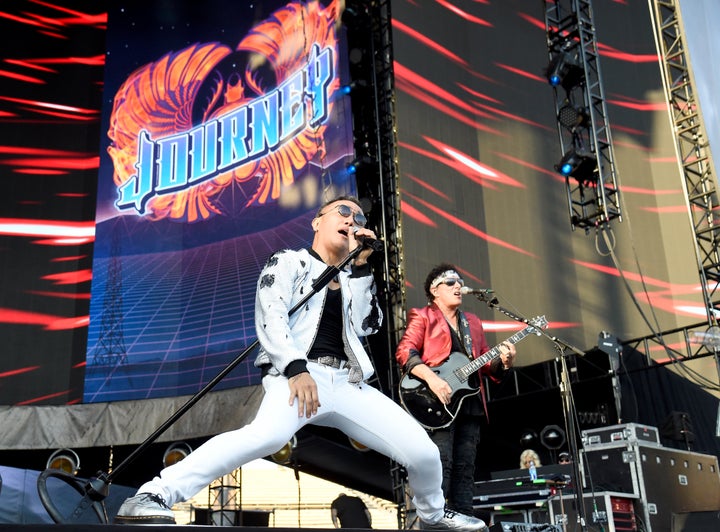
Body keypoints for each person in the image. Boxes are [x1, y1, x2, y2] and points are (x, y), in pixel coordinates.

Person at [114, 196, 487, 531]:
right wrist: (295, 369)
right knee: (267, 436)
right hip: (296, 374)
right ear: (317, 221)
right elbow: (270, 314)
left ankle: (434, 516)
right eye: (343, 212)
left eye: (358, 216)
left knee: (422, 452)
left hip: (347, 383)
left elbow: (367, 325)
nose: (353, 218)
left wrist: (359, 268)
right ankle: (153, 493)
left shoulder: (353, 274)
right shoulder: (289, 261)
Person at [395, 264, 516, 516]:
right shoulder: (423, 315)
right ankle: (436, 521)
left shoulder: (472, 321)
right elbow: (405, 351)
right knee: (443, 465)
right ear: (434, 290)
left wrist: (502, 363)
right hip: (437, 400)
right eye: (450, 282)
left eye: (460, 282)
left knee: (465, 471)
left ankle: (465, 520)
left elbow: (484, 362)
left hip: (469, 403)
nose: (458, 286)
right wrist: (433, 380)